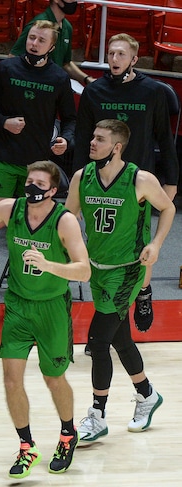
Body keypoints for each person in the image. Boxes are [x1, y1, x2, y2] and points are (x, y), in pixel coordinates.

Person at [0, 160, 90, 478]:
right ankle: (27, 446)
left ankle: (68, 434)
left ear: (53, 191)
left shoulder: (64, 221)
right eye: (29, 181)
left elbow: (84, 270)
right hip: (17, 305)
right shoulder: (11, 208)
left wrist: (49, 265)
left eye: (39, 184)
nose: (31, 187)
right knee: (11, 379)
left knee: (53, 379)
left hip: (52, 308)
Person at [65, 119, 173, 443]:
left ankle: (97, 415)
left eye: (100, 139)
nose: (92, 142)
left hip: (127, 270)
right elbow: (67, 219)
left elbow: (168, 208)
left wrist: (156, 244)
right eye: (92, 137)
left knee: (97, 342)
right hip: (96, 268)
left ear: (116, 147)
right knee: (120, 340)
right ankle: (147, 394)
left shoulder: (140, 179)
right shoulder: (81, 177)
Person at [72, 33, 179, 332]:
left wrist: (172, 179)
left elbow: (164, 138)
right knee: (103, 241)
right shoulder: (94, 92)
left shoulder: (153, 91)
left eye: (121, 54)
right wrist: (78, 181)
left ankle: (143, 292)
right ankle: (109, 310)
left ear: (134, 59)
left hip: (138, 181)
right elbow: (83, 138)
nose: (114, 59)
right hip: (101, 179)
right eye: (111, 53)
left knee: (139, 244)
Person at [0, 20, 76, 250]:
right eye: (31, 38)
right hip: (4, 154)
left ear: (51, 47)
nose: (34, 44)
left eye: (41, 40)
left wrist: (66, 139)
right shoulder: (6, 69)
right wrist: (4, 122)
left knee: (25, 218)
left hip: (36, 161)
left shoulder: (59, 78)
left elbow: (70, 118)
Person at [10, 0, 95, 86]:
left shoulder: (67, 27)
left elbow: (66, 64)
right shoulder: (36, 27)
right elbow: (13, 58)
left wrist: (87, 79)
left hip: (54, 83)